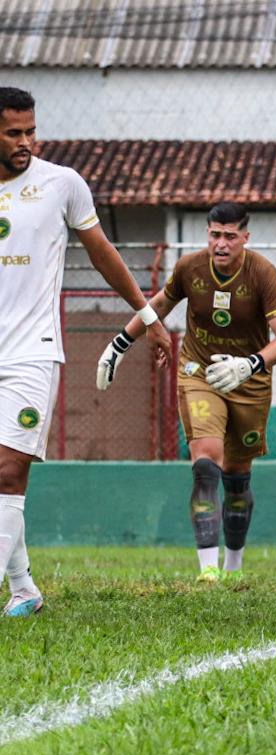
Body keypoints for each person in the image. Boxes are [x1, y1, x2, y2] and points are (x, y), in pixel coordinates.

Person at [0, 87, 173, 617]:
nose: (26, 142)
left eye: (31, 130)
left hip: (32, 351)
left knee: (8, 470)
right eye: (13, 133)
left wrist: (148, 316)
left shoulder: (62, 184)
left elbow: (103, 255)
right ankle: (25, 588)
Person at [96, 202, 276, 583]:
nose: (221, 244)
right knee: (206, 463)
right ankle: (207, 571)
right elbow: (157, 306)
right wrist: (120, 343)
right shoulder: (189, 268)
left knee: (237, 478)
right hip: (198, 372)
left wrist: (249, 364)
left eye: (230, 236)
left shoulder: (263, 273)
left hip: (248, 381)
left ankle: (233, 568)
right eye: (214, 235)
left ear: (245, 238)